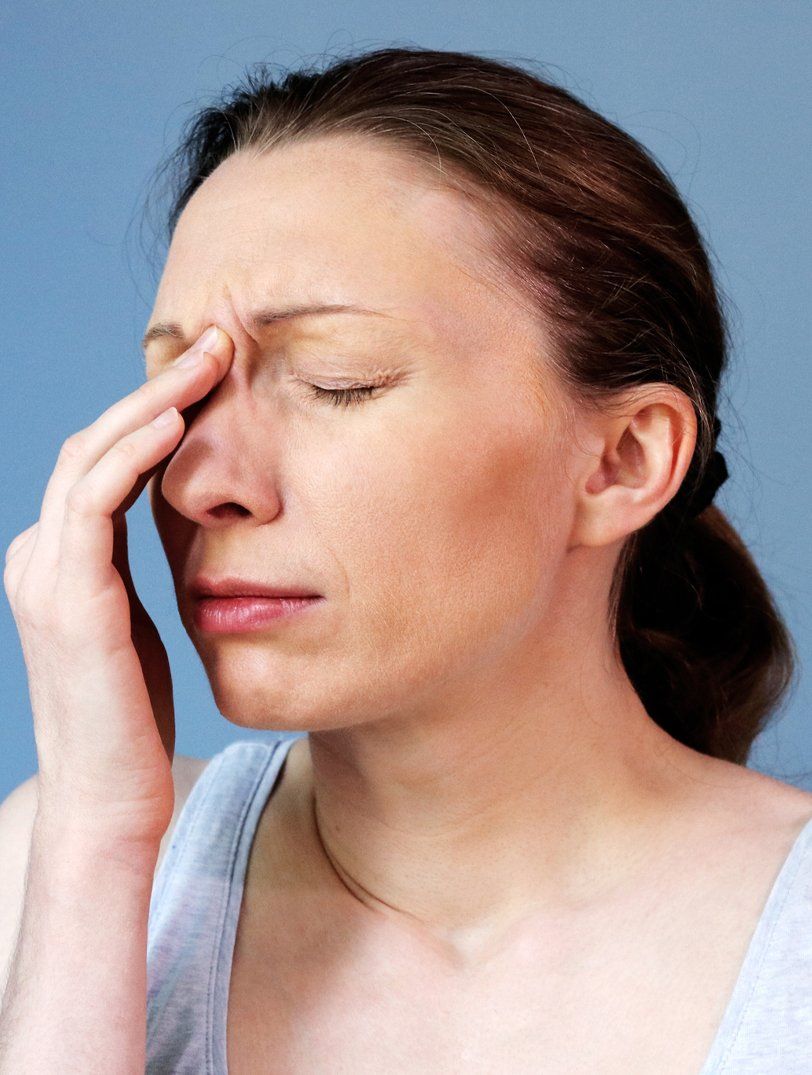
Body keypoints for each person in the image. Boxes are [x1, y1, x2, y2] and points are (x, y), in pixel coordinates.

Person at [1, 45, 809, 1074]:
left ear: (621, 459)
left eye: (339, 380)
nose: (202, 479)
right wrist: (97, 841)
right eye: (182, 391)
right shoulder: (56, 868)